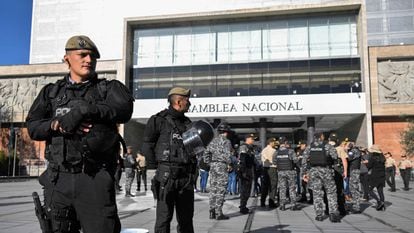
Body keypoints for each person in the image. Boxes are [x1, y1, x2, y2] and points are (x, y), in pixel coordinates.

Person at [26, 35, 134, 233]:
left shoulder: (107, 89)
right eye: (82, 55)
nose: (89, 60)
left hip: (94, 178)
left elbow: (124, 110)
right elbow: (33, 127)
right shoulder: (51, 93)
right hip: (59, 179)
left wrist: (87, 110)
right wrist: (56, 124)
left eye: (92, 56)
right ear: (67, 58)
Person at [142, 87, 213, 233]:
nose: (190, 103)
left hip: (186, 178)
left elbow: (196, 150)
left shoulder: (188, 123)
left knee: (186, 220)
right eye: (187, 100)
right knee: (163, 218)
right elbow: (147, 145)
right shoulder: (158, 120)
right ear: (179, 101)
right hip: (166, 177)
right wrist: (153, 171)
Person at [302, 132, 340, 223]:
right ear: (322, 137)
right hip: (326, 171)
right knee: (331, 193)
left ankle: (319, 215)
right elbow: (335, 157)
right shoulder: (327, 146)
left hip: (314, 172)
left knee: (317, 194)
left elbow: (304, 161)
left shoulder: (309, 147)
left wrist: (304, 173)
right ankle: (333, 214)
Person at [205, 122, 232, 220]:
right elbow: (228, 155)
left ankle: (212, 211)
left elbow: (206, 152)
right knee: (221, 189)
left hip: (213, 165)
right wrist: (229, 164)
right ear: (226, 131)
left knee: (213, 189)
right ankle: (218, 213)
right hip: (222, 165)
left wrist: (209, 163)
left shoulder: (213, 141)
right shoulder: (227, 141)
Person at [275, 137, 299, 211]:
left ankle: (282, 205)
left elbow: (274, 161)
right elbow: (295, 160)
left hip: (280, 172)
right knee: (292, 188)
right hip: (290, 171)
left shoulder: (276, 152)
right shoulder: (290, 151)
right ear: (285, 142)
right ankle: (293, 205)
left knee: (282, 188)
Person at [238, 134, 257, 214]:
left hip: (249, 170)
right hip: (245, 171)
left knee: (248, 189)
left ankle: (244, 205)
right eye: (252, 139)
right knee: (245, 189)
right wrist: (243, 172)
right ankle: (242, 207)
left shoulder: (250, 148)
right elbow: (242, 159)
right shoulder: (244, 147)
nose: (253, 140)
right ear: (248, 139)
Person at [365, 144, 386, 211]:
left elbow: (369, 166)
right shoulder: (383, 158)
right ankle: (382, 204)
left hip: (375, 175)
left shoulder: (372, 158)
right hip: (382, 175)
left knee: (369, 190)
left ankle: (379, 201)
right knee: (380, 191)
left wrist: (366, 162)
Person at [331, 134, 347, 216]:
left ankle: (330, 209)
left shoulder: (325, 148)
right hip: (338, 171)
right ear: (337, 140)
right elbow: (344, 161)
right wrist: (345, 171)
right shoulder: (340, 148)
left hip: (328, 172)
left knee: (330, 191)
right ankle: (341, 209)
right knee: (340, 190)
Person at [260, 137, 278, 208]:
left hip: (265, 168)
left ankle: (262, 202)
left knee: (265, 186)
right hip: (272, 168)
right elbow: (274, 161)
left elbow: (263, 159)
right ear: (270, 143)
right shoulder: (274, 150)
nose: (274, 143)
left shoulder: (263, 150)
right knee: (273, 185)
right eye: (273, 142)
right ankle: (271, 202)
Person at [345, 141, 362, 214]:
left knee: (354, 189)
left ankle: (356, 207)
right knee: (352, 189)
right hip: (353, 171)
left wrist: (345, 150)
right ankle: (355, 205)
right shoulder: (355, 150)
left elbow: (348, 158)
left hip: (354, 171)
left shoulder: (354, 151)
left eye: (349, 144)